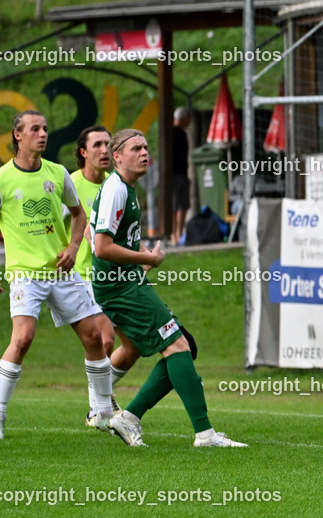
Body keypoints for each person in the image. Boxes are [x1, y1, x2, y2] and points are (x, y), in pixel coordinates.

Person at [92, 129, 246, 448]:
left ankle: (129, 417)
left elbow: (115, 241)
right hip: (119, 288)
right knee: (177, 346)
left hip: (127, 283)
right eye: (136, 148)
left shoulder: (127, 188)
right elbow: (102, 247)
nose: (145, 153)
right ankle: (204, 434)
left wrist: (141, 257)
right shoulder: (115, 189)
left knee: (184, 345)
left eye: (146, 147)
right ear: (117, 157)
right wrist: (147, 258)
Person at [0, 110, 114, 439]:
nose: (43, 134)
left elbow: (79, 215)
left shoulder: (57, 173)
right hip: (25, 275)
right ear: (17, 135)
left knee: (95, 338)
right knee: (22, 339)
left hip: (61, 272)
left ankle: (104, 414)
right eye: (35, 129)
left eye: (45, 128)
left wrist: (73, 247)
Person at [70, 125, 122, 425]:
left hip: (112, 275)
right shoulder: (69, 185)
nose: (105, 151)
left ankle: (102, 397)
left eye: (108, 144)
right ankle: (98, 406)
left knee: (123, 344)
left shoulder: (115, 184)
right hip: (81, 275)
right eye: (98, 145)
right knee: (104, 338)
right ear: (83, 152)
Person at [171, 108, 191, 246]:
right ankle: (174, 234)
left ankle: (180, 233)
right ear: (183, 118)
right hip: (173, 174)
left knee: (183, 204)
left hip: (183, 173)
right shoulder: (171, 133)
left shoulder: (183, 133)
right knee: (175, 205)